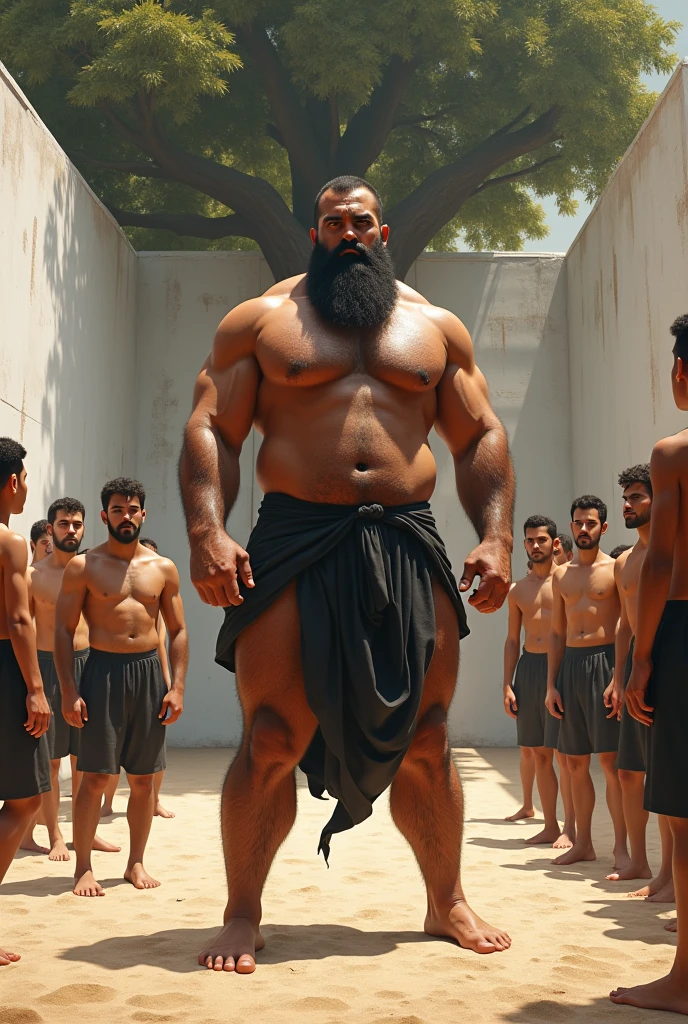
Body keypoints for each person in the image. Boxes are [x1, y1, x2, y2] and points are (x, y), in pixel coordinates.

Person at [180, 174, 515, 972]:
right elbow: (212, 429)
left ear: (384, 231)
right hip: (296, 535)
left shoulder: (434, 326)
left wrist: (496, 535)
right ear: (316, 233)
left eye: (361, 221)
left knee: (429, 739)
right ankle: (242, 912)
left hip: (407, 536)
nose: (349, 233)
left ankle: (447, 901)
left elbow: (479, 435)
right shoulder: (262, 320)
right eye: (334, 223)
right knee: (269, 738)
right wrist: (206, 531)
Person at [55, 478, 188, 897]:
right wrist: (68, 689)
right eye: (117, 510)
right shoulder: (84, 566)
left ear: (143, 514)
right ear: (104, 516)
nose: (125, 516)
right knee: (93, 777)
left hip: (149, 675)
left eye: (132, 510)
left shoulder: (162, 568)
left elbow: (179, 631)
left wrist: (177, 686)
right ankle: (83, 868)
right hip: (102, 673)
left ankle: (135, 862)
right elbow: (62, 630)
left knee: (145, 781)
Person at [611, 314, 688, 1014]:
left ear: (683, 372)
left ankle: (686, 975)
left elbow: (661, 559)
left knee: (686, 812)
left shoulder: (673, 454)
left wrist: (640, 660)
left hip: (686, 630)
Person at [21, 498, 120, 861]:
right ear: (50, 529)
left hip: (89, 663)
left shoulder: (93, 570)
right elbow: (25, 629)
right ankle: (56, 834)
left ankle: (85, 834)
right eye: (63, 524)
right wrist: (31, 684)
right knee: (49, 759)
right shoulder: (34, 576)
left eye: (77, 524)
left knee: (87, 757)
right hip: (47, 666)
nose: (71, 530)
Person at [545, 495, 627, 869]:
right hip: (571, 667)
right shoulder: (560, 575)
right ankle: (583, 843)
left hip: (606, 662)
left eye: (590, 523)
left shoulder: (616, 569)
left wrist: (619, 677)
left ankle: (622, 850)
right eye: (578, 522)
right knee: (574, 762)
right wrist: (551, 684)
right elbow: (556, 634)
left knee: (610, 763)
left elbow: (627, 626)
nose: (583, 529)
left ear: (603, 528)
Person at [0, 438, 51, 967]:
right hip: (3, 671)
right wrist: (35, 688)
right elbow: (18, 620)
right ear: (13, 480)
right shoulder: (10, 543)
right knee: (24, 802)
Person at [503, 516, 575, 847]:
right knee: (539, 753)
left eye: (541, 540)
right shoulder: (517, 590)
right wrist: (507, 683)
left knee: (567, 755)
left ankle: (570, 828)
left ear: (555, 543)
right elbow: (512, 641)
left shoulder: (566, 582)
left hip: (561, 666)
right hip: (529, 669)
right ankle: (549, 824)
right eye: (530, 540)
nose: (535, 545)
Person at [605, 467, 657, 885]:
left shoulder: (673, 549)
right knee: (628, 773)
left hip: (667, 663)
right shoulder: (624, 561)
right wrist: (617, 678)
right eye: (625, 497)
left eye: (637, 496)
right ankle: (639, 861)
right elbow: (624, 623)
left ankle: (675, 879)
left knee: (671, 776)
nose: (628, 504)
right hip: (632, 669)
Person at [98, 536, 175, 820]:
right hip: (113, 673)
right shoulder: (115, 587)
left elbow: (162, 647)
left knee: (155, 753)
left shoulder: (159, 601)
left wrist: (169, 686)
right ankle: (107, 803)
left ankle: (154, 801)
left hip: (151, 677)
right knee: (110, 752)